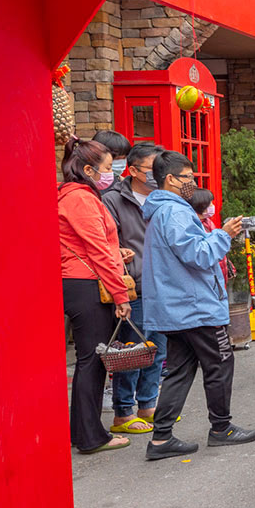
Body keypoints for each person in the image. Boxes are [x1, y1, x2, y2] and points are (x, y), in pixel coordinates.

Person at [141, 151, 255, 459]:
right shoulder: (174, 213)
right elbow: (199, 255)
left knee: (180, 369)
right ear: (170, 179)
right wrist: (223, 234)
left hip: (177, 307)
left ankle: (162, 438)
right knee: (219, 363)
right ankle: (221, 428)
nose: (192, 183)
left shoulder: (162, 211)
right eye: (188, 178)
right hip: (194, 307)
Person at [58, 139, 133, 454]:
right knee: (93, 361)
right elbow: (97, 250)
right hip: (87, 284)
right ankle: (91, 437)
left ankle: (82, 432)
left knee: (89, 361)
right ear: (87, 169)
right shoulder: (81, 199)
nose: (112, 173)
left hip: (74, 280)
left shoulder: (69, 195)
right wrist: (121, 294)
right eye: (106, 167)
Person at [101, 141, 165, 433]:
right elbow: (107, 243)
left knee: (158, 349)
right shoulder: (113, 199)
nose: (158, 175)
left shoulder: (166, 197)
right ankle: (123, 412)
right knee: (131, 350)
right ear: (134, 170)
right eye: (152, 170)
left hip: (163, 284)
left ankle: (148, 404)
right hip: (134, 285)